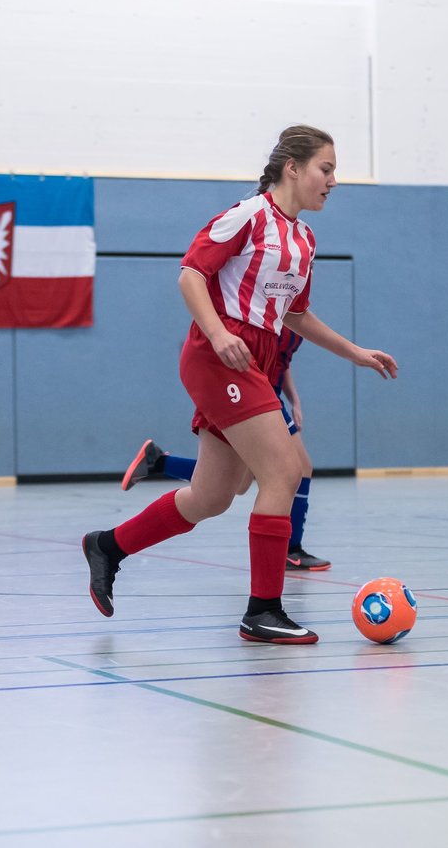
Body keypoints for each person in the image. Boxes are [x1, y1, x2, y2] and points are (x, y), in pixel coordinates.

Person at [82, 124, 397, 644]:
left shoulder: (304, 239)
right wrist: (218, 332)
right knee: (286, 470)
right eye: (327, 168)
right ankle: (263, 609)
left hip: (256, 362)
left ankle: (108, 545)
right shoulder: (247, 216)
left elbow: (296, 315)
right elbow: (190, 274)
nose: (333, 181)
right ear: (292, 167)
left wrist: (354, 352)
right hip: (219, 358)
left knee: (213, 496)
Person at [121, 326, 332, 572]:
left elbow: (281, 360)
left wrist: (294, 398)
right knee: (299, 468)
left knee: (239, 484)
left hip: (269, 392)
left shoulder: (292, 304)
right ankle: (290, 550)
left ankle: (159, 463)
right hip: (252, 394)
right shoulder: (260, 306)